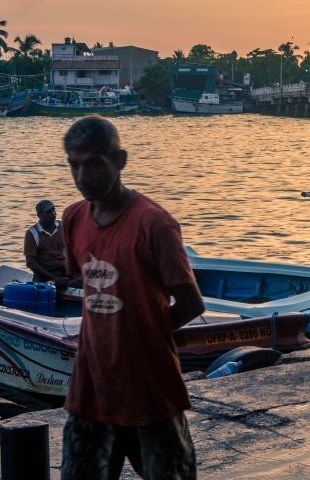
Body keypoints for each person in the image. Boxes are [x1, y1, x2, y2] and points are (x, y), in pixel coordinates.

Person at [59, 116, 205, 480]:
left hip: (150, 387)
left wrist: (145, 335)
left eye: (94, 163)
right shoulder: (73, 219)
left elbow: (191, 303)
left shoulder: (153, 224)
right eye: (74, 165)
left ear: (120, 161)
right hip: (91, 384)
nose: (82, 176)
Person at [24, 199, 70, 289]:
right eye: (48, 212)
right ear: (39, 215)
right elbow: (30, 263)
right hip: (44, 274)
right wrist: (54, 278)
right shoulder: (32, 233)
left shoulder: (62, 227)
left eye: (54, 210)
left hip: (62, 270)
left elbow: (71, 250)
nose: (53, 214)